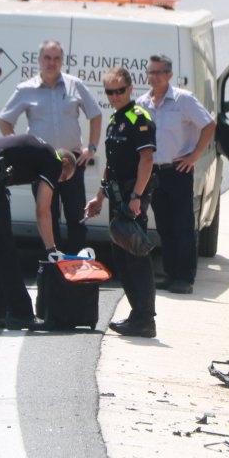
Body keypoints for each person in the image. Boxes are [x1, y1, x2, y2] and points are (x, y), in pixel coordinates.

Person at [0, 134, 77, 330]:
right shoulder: (54, 161)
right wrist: (51, 248)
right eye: (62, 179)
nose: (58, 182)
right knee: (4, 247)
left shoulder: (38, 150)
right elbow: (43, 210)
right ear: (66, 163)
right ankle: (21, 313)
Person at [0, 40, 102, 255]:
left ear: (62, 61)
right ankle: (53, 262)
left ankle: (78, 263)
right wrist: (18, 149)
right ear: (39, 59)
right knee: (47, 215)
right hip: (42, 165)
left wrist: (91, 148)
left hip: (72, 162)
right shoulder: (25, 89)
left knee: (77, 216)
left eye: (56, 58)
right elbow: (4, 120)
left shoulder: (75, 85)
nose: (52, 63)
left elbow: (96, 114)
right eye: (47, 58)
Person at [85, 68, 158, 338]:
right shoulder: (115, 119)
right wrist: (99, 196)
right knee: (121, 256)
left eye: (120, 90)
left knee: (136, 254)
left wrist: (137, 197)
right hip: (116, 196)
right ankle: (137, 314)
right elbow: (112, 165)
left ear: (130, 88)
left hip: (132, 197)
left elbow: (147, 160)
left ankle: (145, 318)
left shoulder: (139, 118)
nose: (115, 96)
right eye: (110, 92)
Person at [135, 54, 215, 295]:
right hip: (153, 172)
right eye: (151, 72)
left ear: (169, 75)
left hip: (178, 170)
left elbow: (209, 125)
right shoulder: (142, 103)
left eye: (159, 72)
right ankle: (170, 274)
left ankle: (185, 277)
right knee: (164, 226)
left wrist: (194, 155)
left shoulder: (183, 99)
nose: (154, 77)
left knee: (183, 225)